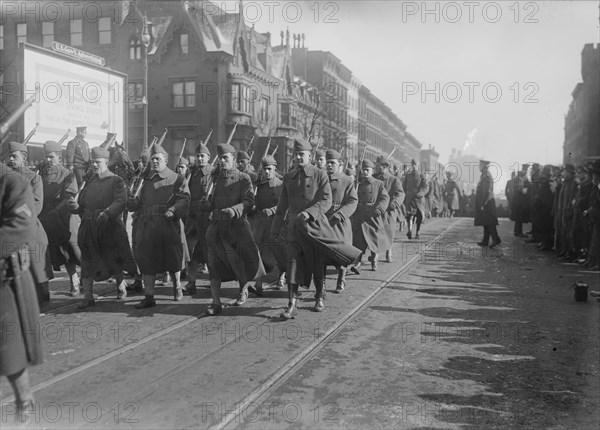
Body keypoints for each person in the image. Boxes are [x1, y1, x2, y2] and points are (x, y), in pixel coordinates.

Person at [271, 138, 336, 317]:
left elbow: (326, 200)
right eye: (296, 154)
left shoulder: (319, 174)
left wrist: (309, 213)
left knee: (316, 262)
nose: (299, 158)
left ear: (310, 155)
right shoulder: (289, 176)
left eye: (302, 154)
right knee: (292, 262)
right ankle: (292, 303)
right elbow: (281, 206)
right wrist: (274, 231)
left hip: (314, 226)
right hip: (293, 229)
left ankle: (319, 296)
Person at [0, 160, 43, 424]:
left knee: (8, 347)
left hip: (5, 278)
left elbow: (20, 226)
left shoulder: (13, 182)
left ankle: (24, 400)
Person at [68, 147, 138, 309]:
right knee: (87, 261)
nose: (94, 165)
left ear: (106, 163)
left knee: (113, 259)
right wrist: (74, 206)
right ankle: (88, 296)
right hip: (89, 227)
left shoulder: (116, 180)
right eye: (92, 162)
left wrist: (108, 213)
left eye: (98, 162)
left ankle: (120, 285)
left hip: (109, 227)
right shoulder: (88, 181)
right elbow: (81, 206)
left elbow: (121, 201)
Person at [127, 144, 190, 308]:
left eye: (158, 159)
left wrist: (174, 210)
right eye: (153, 159)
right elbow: (137, 202)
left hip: (168, 223)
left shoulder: (177, 178)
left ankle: (177, 285)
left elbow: (184, 199)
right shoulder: (144, 180)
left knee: (173, 257)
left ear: (166, 160)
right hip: (147, 225)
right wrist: (132, 203)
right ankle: (149, 296)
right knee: (147, 259)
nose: (154, 161)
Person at [205, 143, 265, 315]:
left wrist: (234, 210)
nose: (223, 161)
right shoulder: (215, 179)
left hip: (236, 226)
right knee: (213, 263)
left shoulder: (243, 178)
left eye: (226, 158)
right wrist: (207, 205)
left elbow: (249, 202)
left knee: (239, 261)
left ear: (233, 159)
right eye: (221, 158)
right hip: (216, 227)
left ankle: (243, 289)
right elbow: (212, 202)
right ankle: (215, 302)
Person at [3, 141, 53, 304]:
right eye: (8, 156)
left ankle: (43, 299)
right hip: (9, 231)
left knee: (38, 269)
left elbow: (36, 205)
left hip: (30, 230)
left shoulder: (33, 178)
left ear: (24, 158)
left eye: (14, 156)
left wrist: (13, 215)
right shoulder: (5, 178)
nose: (10, 159)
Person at [38, 140, 82, 296]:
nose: (48, 160)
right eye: (46, 157)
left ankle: (81, 279)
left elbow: (69, 196)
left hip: (64, 217)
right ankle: (72, 282)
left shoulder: (67, 174)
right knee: (57, 252)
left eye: (51, 157)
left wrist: (56, 212)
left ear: (59, 156)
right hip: (46, 217)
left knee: (72, 248)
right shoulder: (41, 174)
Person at [249, 155, 284, 296]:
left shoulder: (281, 185)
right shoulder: (260, 186)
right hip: (260, 224)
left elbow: (283, 205)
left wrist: (271, 210)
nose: (267, 172)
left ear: (275, 168)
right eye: (265, 169)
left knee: (278, 253)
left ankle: (281, 276)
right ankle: (258, 285)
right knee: (256, 252)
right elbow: (256, 204)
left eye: (270, 169)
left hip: (276, 224)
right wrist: (252, 208)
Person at [324, 149, 358, 293]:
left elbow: (352, 201)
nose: (329, 165)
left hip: (340, 223)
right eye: (328, 163)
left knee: (341, 253)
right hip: (324, 222)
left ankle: (341, 278)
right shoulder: (322, 178)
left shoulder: (346, 181)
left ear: (340, 165)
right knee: (322, 254)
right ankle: (322, 284)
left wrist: (341, 214)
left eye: (333, 163)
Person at [351, 159, 390, 272]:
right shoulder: (358, 183)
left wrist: (379, 208)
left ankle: (374, 259)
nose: (365, 172)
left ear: (372, 171)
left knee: (373, 240)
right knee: (358, 241)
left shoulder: (378, 184)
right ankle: (357, 264)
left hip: (372, 215)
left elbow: (385, 198)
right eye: (363, 170)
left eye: (367, 170)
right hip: (360, 216)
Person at [184, 143, 213, 293]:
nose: (200, 158)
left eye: (203, 156)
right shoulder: (192, 173)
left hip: (206, 218)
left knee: (209, 250)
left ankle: (215, 282)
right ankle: (191, 282)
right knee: (190, 250)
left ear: (209, 157)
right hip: (192, 216)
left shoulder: (213, 173)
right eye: (198, 156)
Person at [374, 155, 405, 262]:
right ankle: (375, 255)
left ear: (385, 166)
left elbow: (400, 193)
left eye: (378, 165)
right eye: (376, 165)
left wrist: (395, 203)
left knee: (389, 232)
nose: (376, 167)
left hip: (389, 211)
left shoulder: (393, 179)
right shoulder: (374, 178)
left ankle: (389, 250)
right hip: (377, 210)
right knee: (376, 232)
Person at [475, 159, 501, 248]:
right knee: (486, 222)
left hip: (487, 202)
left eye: (480, 165)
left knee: (489, 223)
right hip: (487, 202)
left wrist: (483, 204)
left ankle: (496, 239)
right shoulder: (484, 175)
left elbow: (486, 191)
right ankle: (485, 241)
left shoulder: (486, 176)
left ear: (484, 166)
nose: (479, 166)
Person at [403, 159, 428, 239]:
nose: (413, 166)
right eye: (412, 164)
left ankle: (418, 231)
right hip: (410, 199)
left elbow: (425, 187)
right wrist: (404, 194)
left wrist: (420, 193)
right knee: (409, 216)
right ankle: (409, 231)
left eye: (415, 165)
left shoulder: (421, 175)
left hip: (419, 200)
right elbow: (404, 186)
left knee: (419, 217)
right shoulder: (408, 175)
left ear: (417, 166)